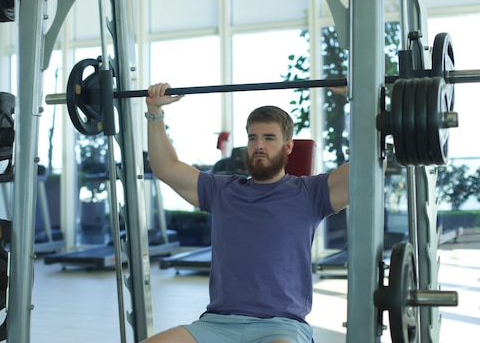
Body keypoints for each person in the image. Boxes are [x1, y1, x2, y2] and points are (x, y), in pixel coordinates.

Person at [143, 83, 350, 343]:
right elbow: (166, 167)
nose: (259, 145)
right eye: (253, 138)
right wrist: (155, 112)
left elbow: (365, 167)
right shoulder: (222, 191)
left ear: (288, 147)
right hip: (217, 324)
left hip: (281, 326)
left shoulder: (311, 193)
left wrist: (361, 97)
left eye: (269, 138)